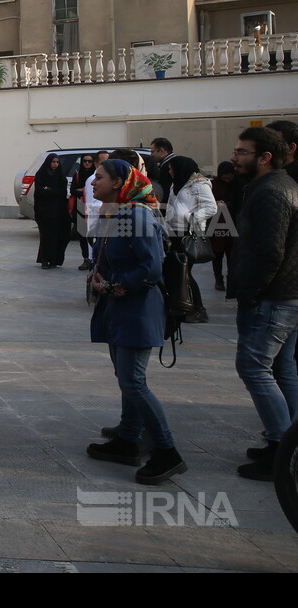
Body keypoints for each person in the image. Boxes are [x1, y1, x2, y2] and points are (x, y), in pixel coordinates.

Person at [86, 158, 188, 484]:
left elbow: (151, 268)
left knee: (134, 381)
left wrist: (116, 285)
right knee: (125, 376)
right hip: (121, 308)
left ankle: (166, 451)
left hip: (137, 308)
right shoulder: (117, 213)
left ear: (119, 183)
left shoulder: (136, 214)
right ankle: (128, 440)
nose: (92, 183)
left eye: (99, 177)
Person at [227, 126, 298, 481]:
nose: (235, 157)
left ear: (265, 157)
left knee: (254, 368)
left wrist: (251, 291)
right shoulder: (276, 186)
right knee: (283, 370)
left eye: (242, 152)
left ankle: (282, 452)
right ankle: (285, 446)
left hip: (273, 298)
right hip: (283, 295)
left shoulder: (272, 191)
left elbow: (270, 251)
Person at [163, 155, 216, 324]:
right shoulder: (177, 184)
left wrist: (190, 217)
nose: (169, 171)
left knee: (185, 272)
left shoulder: (199, 185)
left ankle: (198, 309)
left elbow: (211, 207)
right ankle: (183, 305)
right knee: (178, 271)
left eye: (172, 168)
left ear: (180, 169)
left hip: (189, 232)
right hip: (174, 232)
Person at [33, 154, 71, 269]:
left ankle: (54, 260)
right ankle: (45, 260)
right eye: (53, 162)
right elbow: (39, 191)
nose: (55, 164)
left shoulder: (60, 175)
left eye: (57, 162)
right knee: (46, 236)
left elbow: (62, 192)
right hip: (44, 211)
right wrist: (52, 191)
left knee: (58, 236)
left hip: (58, 211)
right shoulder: (41, 174)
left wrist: (48, 189)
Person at [210, 161, 241, 292]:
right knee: (217, 254)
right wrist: (215, 203)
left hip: (233, 223)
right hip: (216, 224)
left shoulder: (237, 185)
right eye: (225, 177)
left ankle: (232, 279)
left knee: (232, 255)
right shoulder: (213, 185)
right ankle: (218, 279)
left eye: (230, 177)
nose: (228, 180)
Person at [70, 153, 97, 270]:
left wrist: (82, 190)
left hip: (93, 209)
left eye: (90, 161)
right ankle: (86, 258)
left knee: (93, 234)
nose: (87, 163)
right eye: (85, 161)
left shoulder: (97, 175)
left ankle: (94, 258)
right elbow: (73, 191)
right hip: (81, 208)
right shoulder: (77, 175)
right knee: (82, 235)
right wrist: (85, 191)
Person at [83, 150, 110, 247]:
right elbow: (93, 204)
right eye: (103, 163)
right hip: (96, 219)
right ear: (96, 163)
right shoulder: (92, 179)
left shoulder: (108, 177)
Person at [149, 137, 175, 202]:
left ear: (161, 150)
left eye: (152, 152)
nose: (151, 155)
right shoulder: (172, 162)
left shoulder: (168, 167)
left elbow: (165, 191)